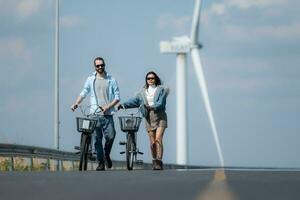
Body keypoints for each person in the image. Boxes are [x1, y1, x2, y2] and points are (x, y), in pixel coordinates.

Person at [71, 57, 120, 171]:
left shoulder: (111, 79)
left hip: (107, 114)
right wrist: (76, 103)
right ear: (95, 67)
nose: (100, 67)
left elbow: (117, 97)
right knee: (97, 139)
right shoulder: (90, 79)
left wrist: (107, 107)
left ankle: (106, 154)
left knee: (111, 136)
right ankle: (101, 162)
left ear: (104, 65)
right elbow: (84, 92)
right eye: (97, 66)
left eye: (102, 65)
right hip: (94, 114)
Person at [119, 71, 169, 170]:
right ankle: (154, 160)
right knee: (152, 142)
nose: (150, 80)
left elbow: (161, 103)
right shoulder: (142, 93)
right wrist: (122, 105)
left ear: (156, 79)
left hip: (160, 116)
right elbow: (134, 101)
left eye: (152, 78)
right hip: (148, 117)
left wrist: (151, 107)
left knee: (158, 139)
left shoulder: (162, 90)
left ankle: (159, 161)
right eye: (148, 78)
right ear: (146, 80)